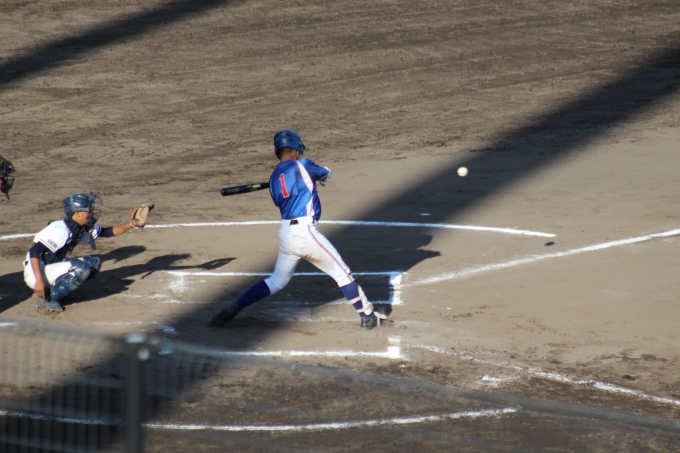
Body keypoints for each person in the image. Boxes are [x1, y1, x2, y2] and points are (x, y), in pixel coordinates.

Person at [211, 130, 387, 329]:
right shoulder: (303, 165)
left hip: (286, 235)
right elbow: (326, 173)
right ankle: (367, 316)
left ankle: (234, 308)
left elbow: (287, 196)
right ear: (296, 149)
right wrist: (314, 178)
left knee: (276, 281)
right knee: (342, 274)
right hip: (305, 233)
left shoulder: (274, 178)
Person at [23, 191, 153, 312]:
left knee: (93, 263)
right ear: (77, 213)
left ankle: (55, 290)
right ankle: (47, 299)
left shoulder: (78, 226)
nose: (91, 214)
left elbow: (106, 232)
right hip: (36, 272)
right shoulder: (60, 229)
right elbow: (35, 251)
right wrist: (39, 280)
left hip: (49, 268)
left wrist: (132, 224)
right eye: (88, 210)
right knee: (81, 268)